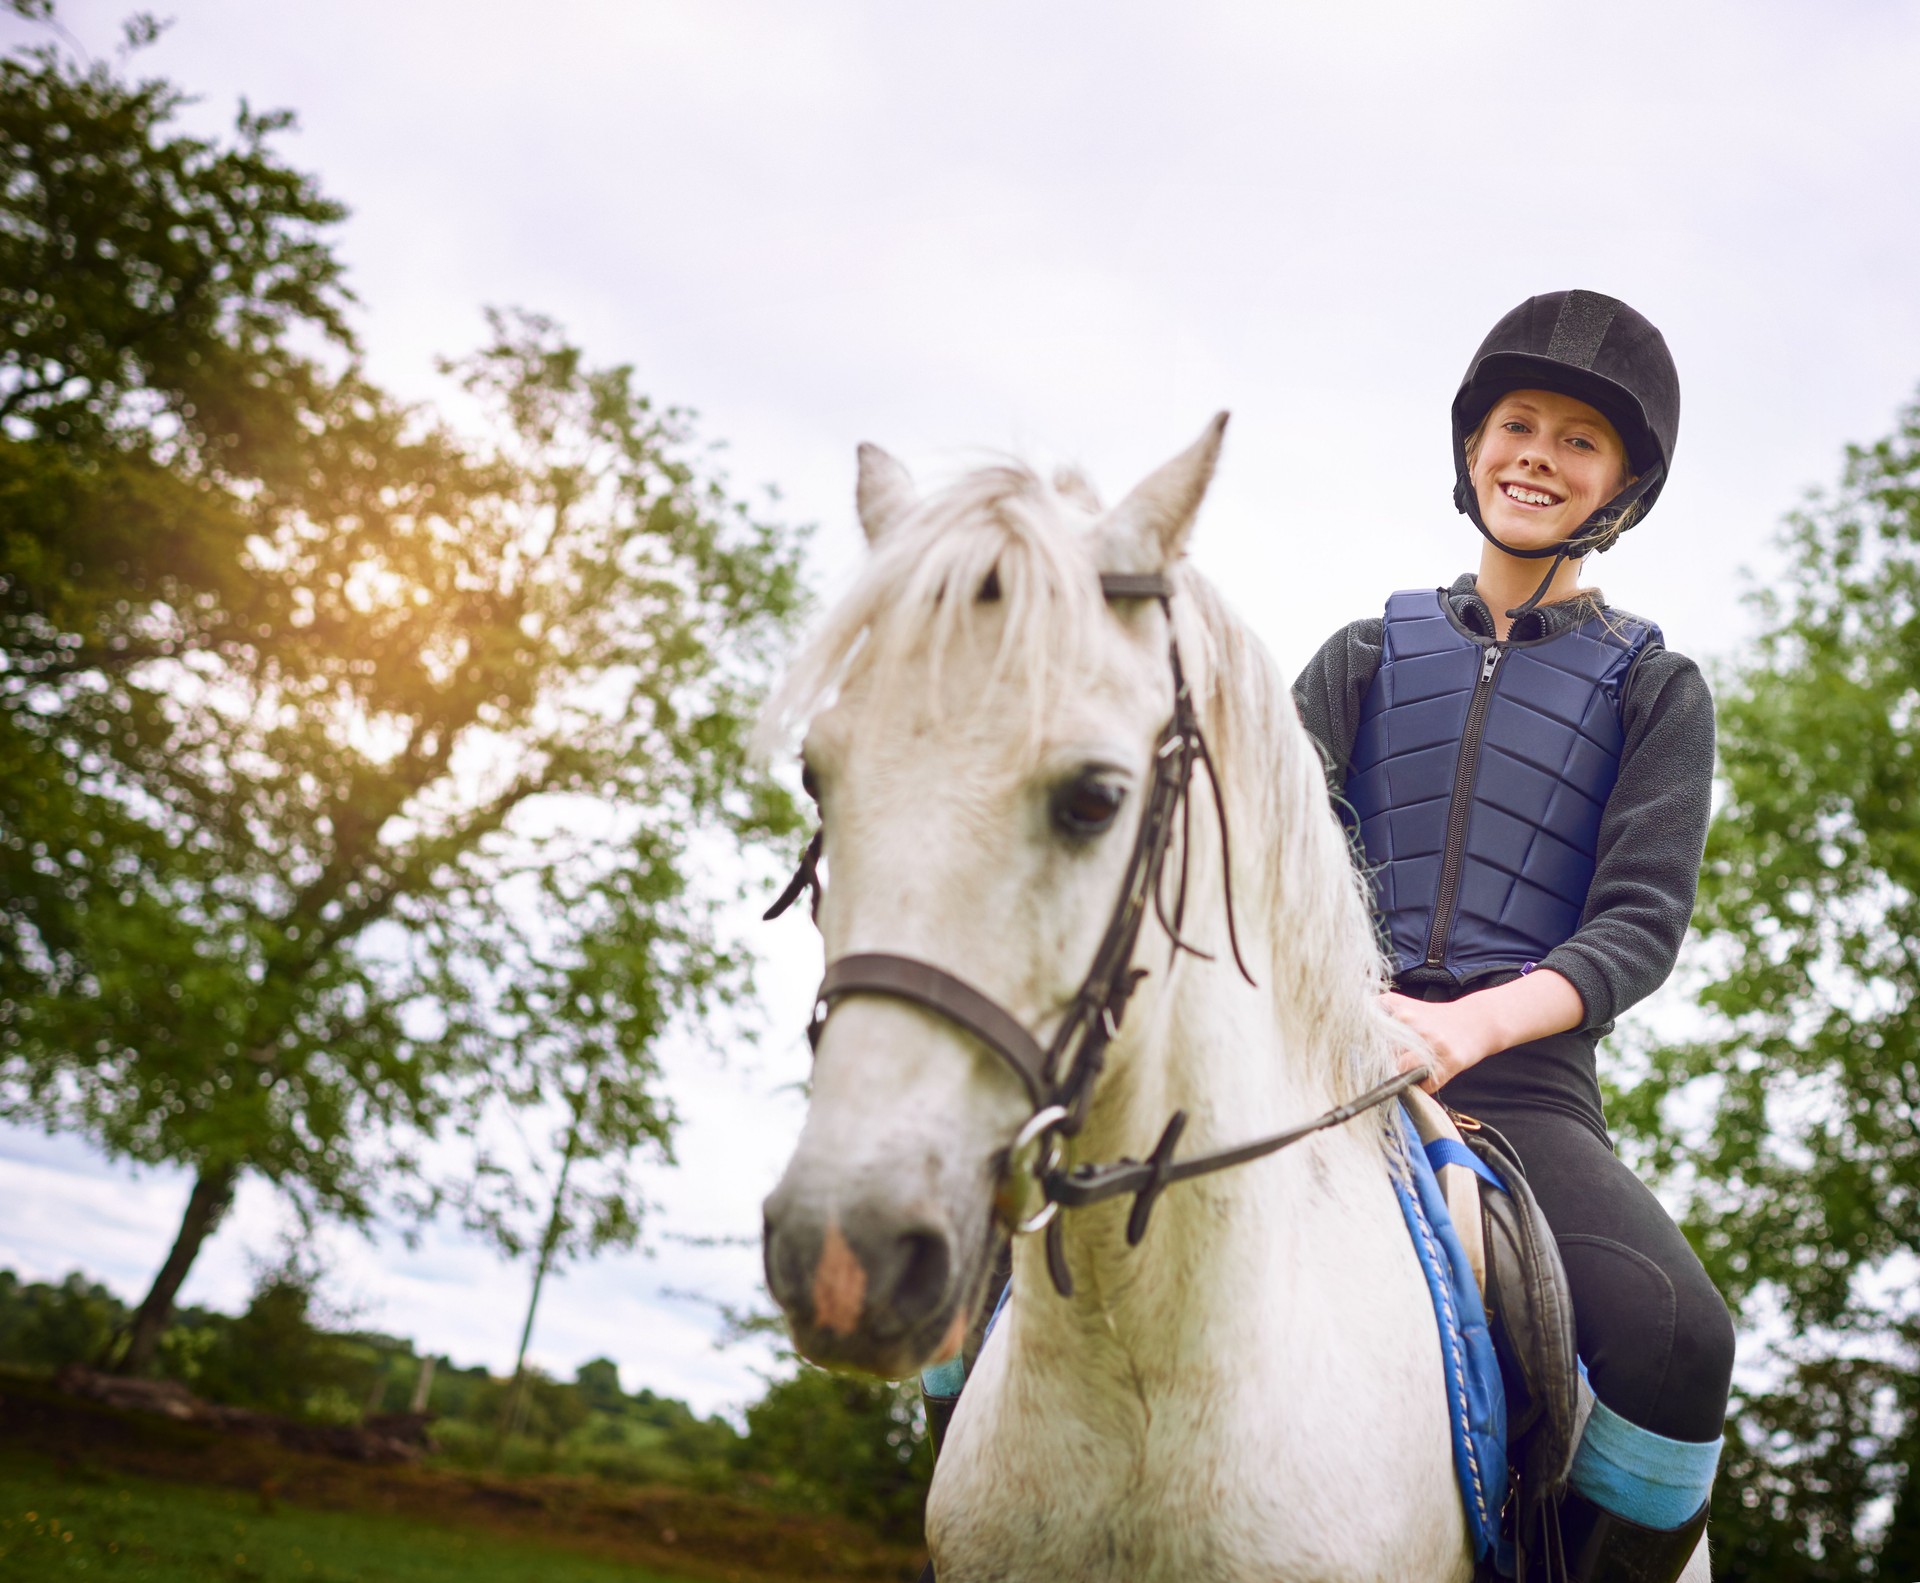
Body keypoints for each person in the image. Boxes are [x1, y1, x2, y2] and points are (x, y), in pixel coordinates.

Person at [1291, 289, 1737, 1583]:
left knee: (1676, 1340)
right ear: (1471, 446)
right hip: (1318, 1046)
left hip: (1521, 1086)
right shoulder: (1362, 656)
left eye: (1579, 439)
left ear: (1623, 486)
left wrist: (1470, 1024)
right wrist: (1343, 1003)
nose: (1538, 453)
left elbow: (1640, 924)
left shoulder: (1656, 687)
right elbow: (1260, 863)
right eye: (1517, 422)